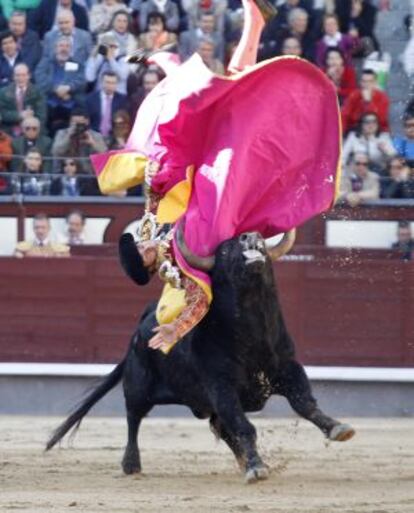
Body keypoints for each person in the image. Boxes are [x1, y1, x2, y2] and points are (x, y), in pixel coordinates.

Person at [93, 0, 341, 353]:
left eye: (139, 245)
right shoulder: (176, 268)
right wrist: (177, 328)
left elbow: (156, 195)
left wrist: (153, 172)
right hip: (224, 189)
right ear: (149, 265)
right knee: (239, 108)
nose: (143, 244)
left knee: (232, 97)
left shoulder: (151, 229)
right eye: (142, 253)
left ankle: (237, 30)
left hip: (204, 169)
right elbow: (199, 298)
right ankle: (222, 40)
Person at [35, 36, 86, 135]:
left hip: (70, 104)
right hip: (49, 103)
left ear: (71, 49)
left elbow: (82, 81)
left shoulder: (76, 64)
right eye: (61, 46)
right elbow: (40, 78)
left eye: (67, 46)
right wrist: (56, 89)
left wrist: (69, 88)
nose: (64, 49)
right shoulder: (46, 62)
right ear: (55, 48)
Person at [52, 108, 107, 175]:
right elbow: (55, 151)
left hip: (89, 174)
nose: (77, 127)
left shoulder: (95, 136)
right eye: (74, 123)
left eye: (80, 124)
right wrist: (68, 137)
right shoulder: (62, 133)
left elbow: (105, 153)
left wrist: (92, 143)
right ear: (70, 122)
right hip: (66, 173)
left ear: (87, 122)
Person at [0, 63, 46, 135]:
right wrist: (19, 115)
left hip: (32, 128)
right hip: (9, 129)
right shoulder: (3, 92)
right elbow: (3, 113)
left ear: (29, 76)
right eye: (17, 75)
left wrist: (30, 125)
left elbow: (41, 115)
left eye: (23, 75)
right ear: (13, 77)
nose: (20, 78)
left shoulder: (38, 92)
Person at [341, 69, 390, 134]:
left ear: (375, 83)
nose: (367, 84)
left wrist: (368, 102)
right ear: (361, 83)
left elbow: (380, 120)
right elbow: (344, 115)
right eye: (364, 81)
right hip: (356, 130)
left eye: (370, 81)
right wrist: (340, 133)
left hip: (377, 131)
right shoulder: (354, 96)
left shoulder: (383, 98)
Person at [86, 71, 128, 136]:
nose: (110, 86)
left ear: (117, 84)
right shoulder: (90, 99)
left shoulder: (122, 100)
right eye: (107, 82)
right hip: (94, 136)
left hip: (114, 136)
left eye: (113, 83)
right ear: (101, 82)